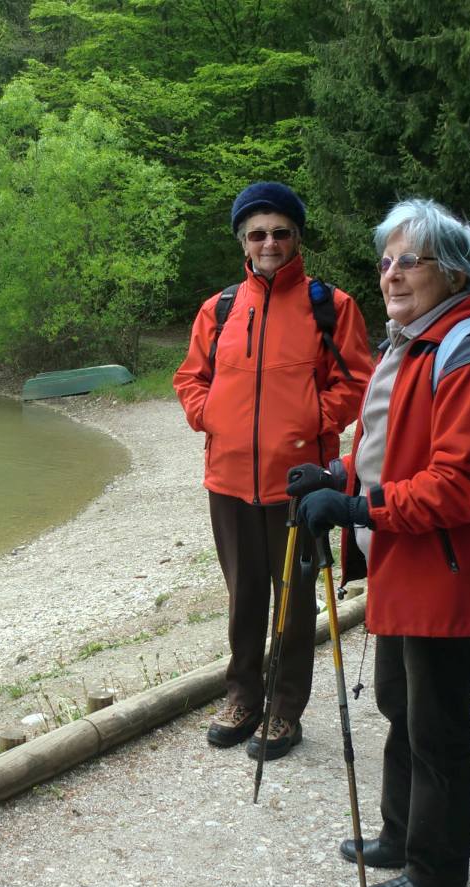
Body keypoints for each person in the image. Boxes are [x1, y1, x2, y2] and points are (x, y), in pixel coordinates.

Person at [287, 199, 470, 887]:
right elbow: (395, 452)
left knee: (438, 726)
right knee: (401, 705)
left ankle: (437, 871)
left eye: (409, 261)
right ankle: (399, 835)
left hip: (449, 572)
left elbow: (459, 487)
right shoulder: (414, 342)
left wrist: (355, 509)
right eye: (385, 261)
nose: (391, 275)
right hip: (406, 562)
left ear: (452, 272)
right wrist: (337, 475)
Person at [173, 182, 372, 760]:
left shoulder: (331, 306)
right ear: (243, 241)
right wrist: (210, 415)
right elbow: (190, 378)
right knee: (243, 596)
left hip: (298, 484)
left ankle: (285, 709)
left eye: (280, 232)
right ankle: (242, 697)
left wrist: (310, 422)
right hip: (229, 480)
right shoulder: (221, 308)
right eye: (257, 234)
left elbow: (356, 382)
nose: (269, 243)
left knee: (294, 601)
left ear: (296, 238)